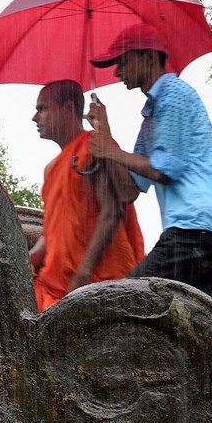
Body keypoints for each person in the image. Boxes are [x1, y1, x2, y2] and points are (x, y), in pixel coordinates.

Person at [86, 23, 212, 298]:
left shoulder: (173, 94)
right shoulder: (151, 117)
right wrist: (105, 133)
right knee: (189, 326)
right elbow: (128, 190)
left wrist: (111, 152)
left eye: (123, 60)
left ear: (148, 57)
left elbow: (165, 170)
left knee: (124, 299)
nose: (117, 71)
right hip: (202, 233)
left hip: (195, 228)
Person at [28, 79, 145, 310]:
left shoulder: (95, 146)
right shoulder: (51, 169)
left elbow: (111, 213)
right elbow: (54, 229)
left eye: (42, 108)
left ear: (69, 108)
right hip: (53, 284)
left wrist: (82, 274)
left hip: (95, 283)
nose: (35, 117)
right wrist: (32, 255)